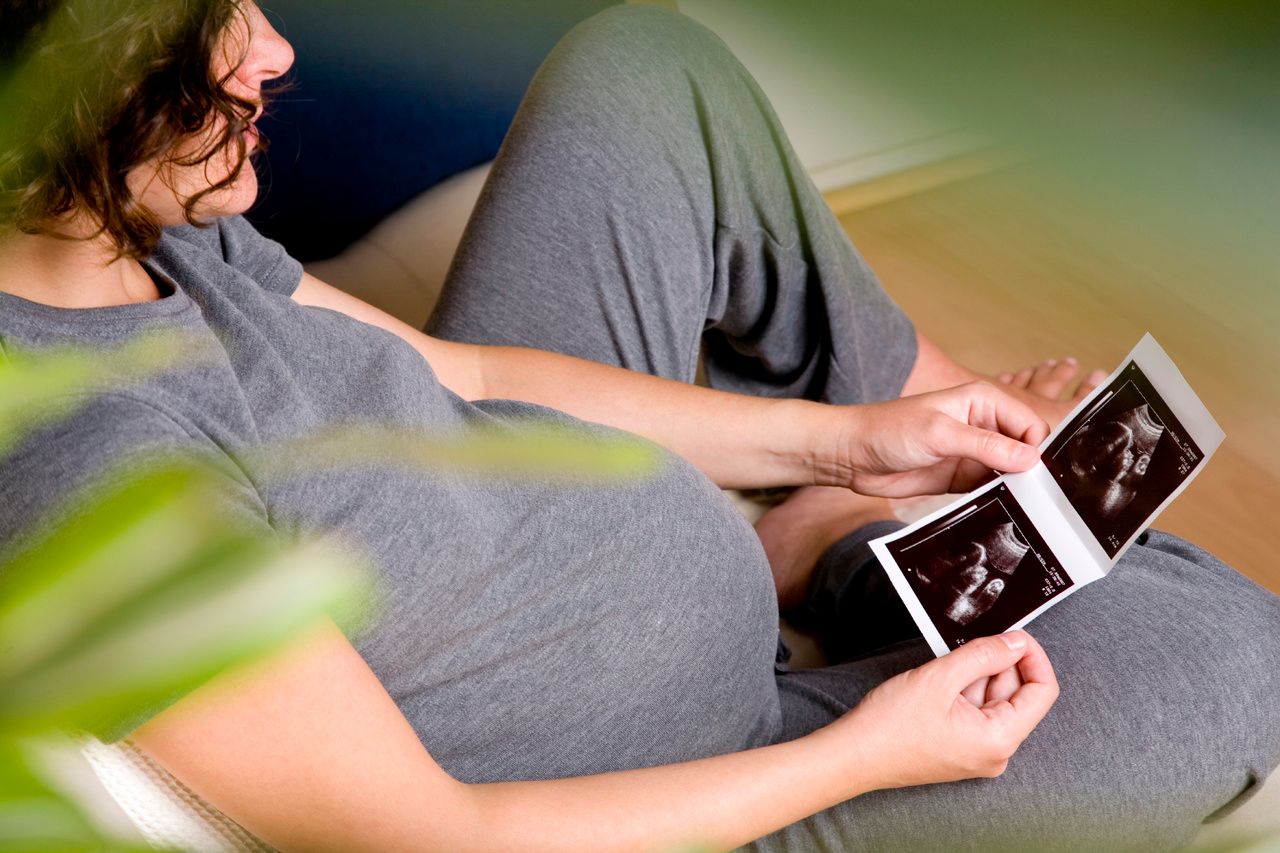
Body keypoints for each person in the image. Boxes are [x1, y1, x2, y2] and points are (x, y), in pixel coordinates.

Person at [1, 1, 1276, 850]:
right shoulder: (91, 472)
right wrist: (864, 756)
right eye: (197, 51)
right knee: (1232, 650)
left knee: (646, 66)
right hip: (706, 787)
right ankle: (837, 570)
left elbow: (462, 367)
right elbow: (441, 838)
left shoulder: (147, 224)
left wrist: (851, 438)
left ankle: (842, 519)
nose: (273, 52)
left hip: (511, 494)